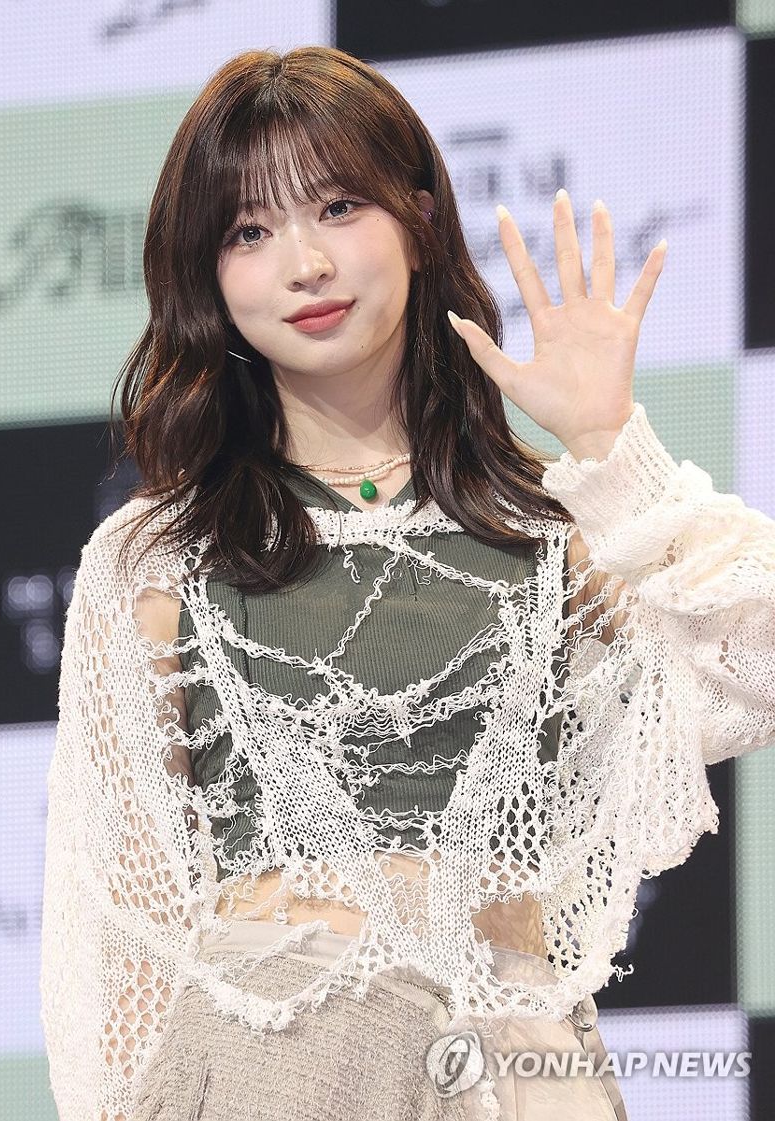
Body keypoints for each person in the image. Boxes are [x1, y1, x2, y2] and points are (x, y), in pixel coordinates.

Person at [39, 45, 775, 1121]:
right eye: (248, 231)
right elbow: (117, 929)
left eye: (338, 207)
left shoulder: (557, 533)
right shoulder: (159, 557)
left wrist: (611, 446)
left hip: (515, 1067)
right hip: (272, 1064)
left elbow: (756, 671)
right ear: (208, 277)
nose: (303, 264)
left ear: (420, 221)